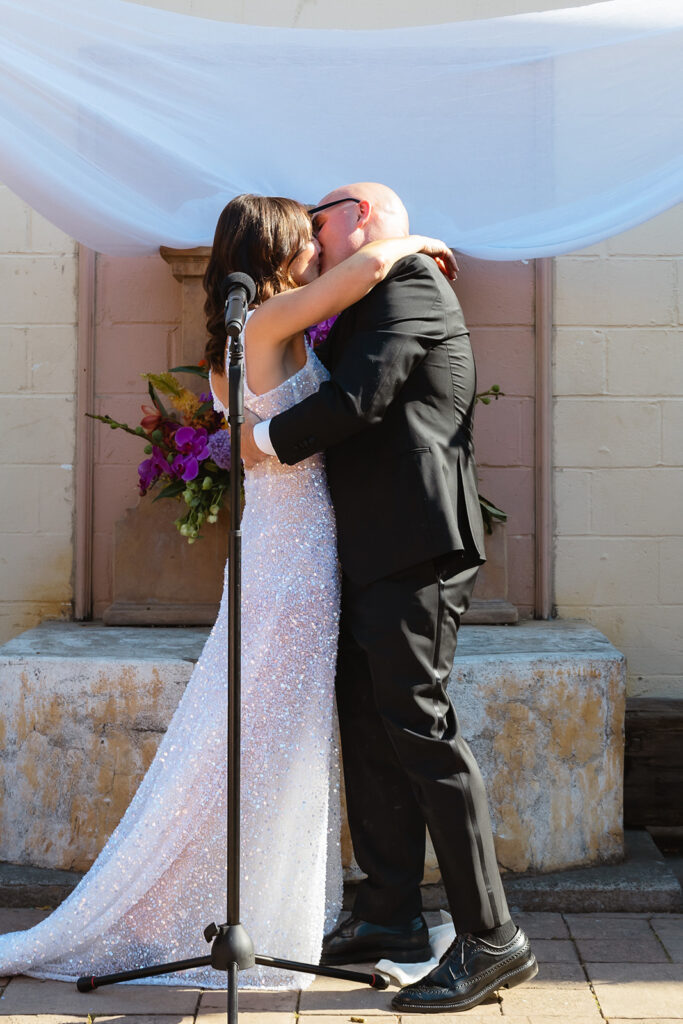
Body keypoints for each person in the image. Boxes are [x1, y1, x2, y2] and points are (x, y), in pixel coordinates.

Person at [0, 193, 456, 992]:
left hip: (287, 548)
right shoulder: (272, 323)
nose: (318, 249)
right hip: (295, 557)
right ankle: (207, 905)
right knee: (259, 735)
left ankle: (252, 902)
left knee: (259, 731)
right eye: (305, 239)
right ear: (278, 252)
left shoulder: (244, 339)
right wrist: (414, 236)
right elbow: (372, 265)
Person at [241, 182, 538, 1012]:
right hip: (372, 548)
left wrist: (257, 442)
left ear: (359, 217)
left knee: (420, 730)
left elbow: (359, 400)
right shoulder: (384, 280)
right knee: (370, 727)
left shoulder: (411, 287)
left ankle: (491, 940)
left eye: (321, 219)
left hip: (416, 547)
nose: (311, 232)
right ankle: (390, 915)